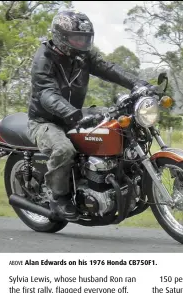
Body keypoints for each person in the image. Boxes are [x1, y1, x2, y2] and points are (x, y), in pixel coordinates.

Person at [27, 10, 149, 219]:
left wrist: (138, 84)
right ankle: (59, 197)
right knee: (64, 149)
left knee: (117, 125)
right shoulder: (43, 59)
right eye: (77, 38)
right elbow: (47, 93)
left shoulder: (82, 56)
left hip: (73, 113)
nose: (82, 43)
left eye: (85, 39)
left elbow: (108, 68)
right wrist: (70, 113)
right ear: (61, 37)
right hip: (45, 120)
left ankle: (109, 179)